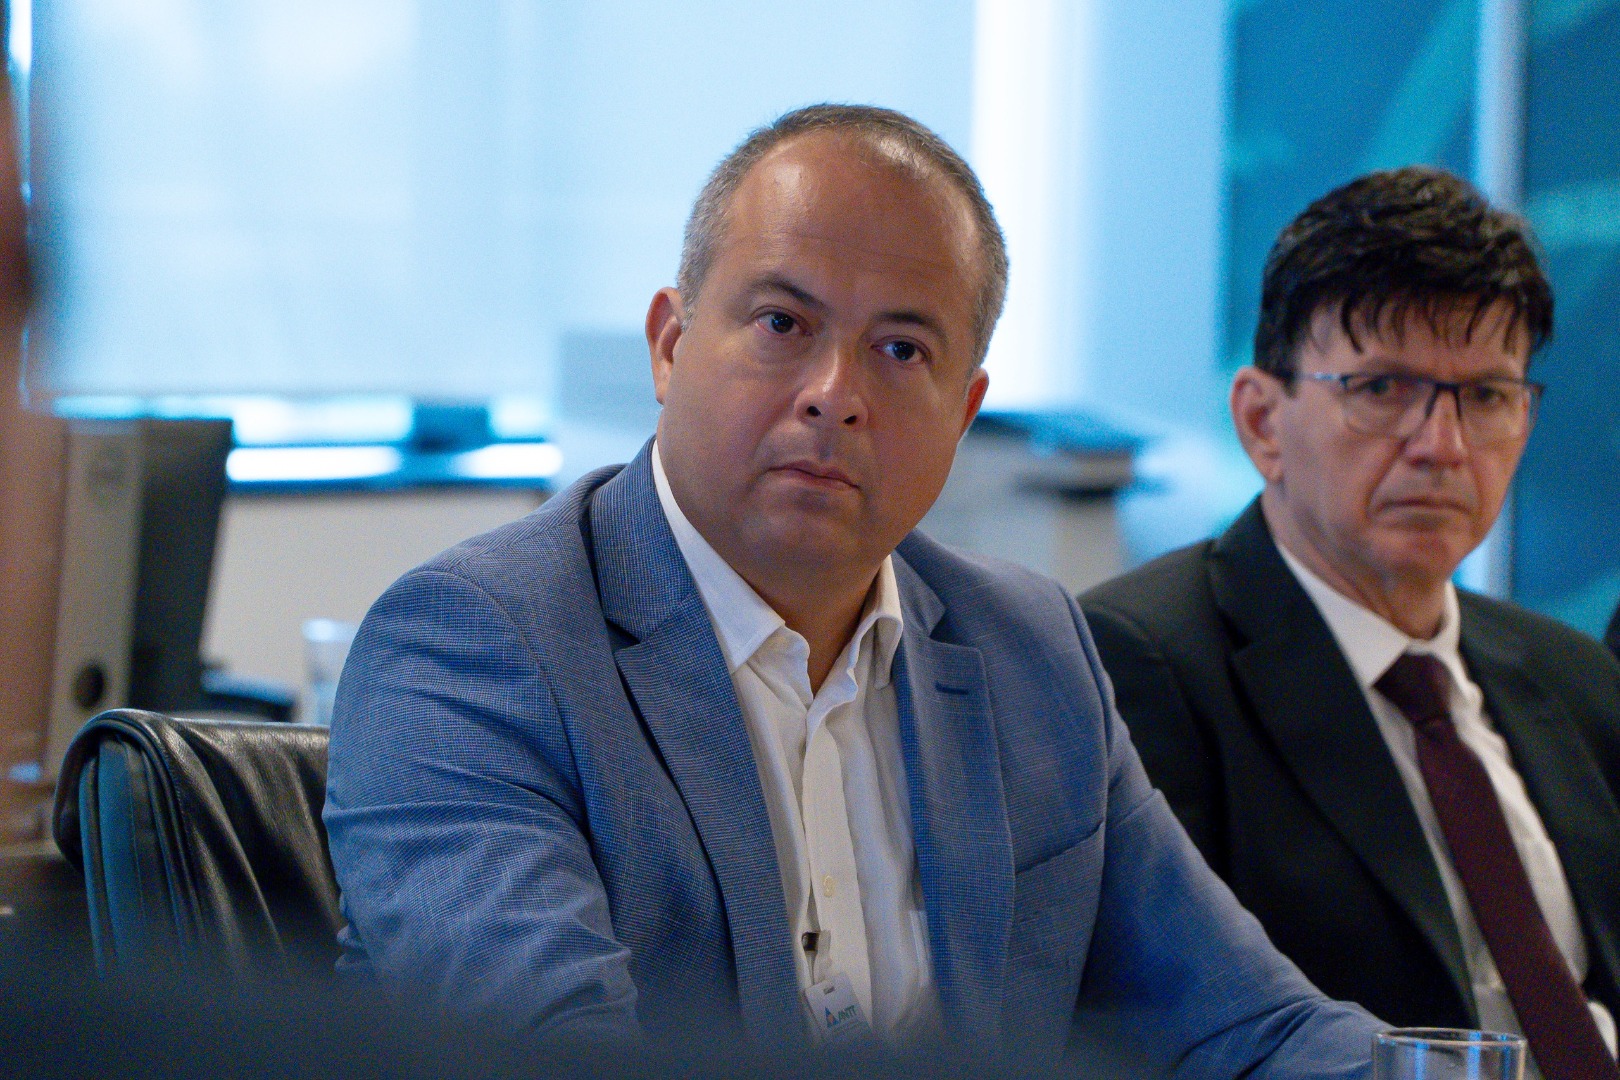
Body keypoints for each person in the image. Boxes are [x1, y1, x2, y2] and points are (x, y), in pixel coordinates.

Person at [324, 104, 1382, 1073]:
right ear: (671, 345)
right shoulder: (476, 645)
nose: (835, 396)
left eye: (901, 349)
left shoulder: (1031, 649)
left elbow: (1251, 1028)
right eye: (782, 325)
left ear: (963, 411)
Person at [1082, 167, 1620, 1079]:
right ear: (1262, 421)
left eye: (1487, 396)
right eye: (1382, 389)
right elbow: (1156, 1039)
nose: (1442, 445)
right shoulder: (1139, 664)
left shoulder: (1580, 681)